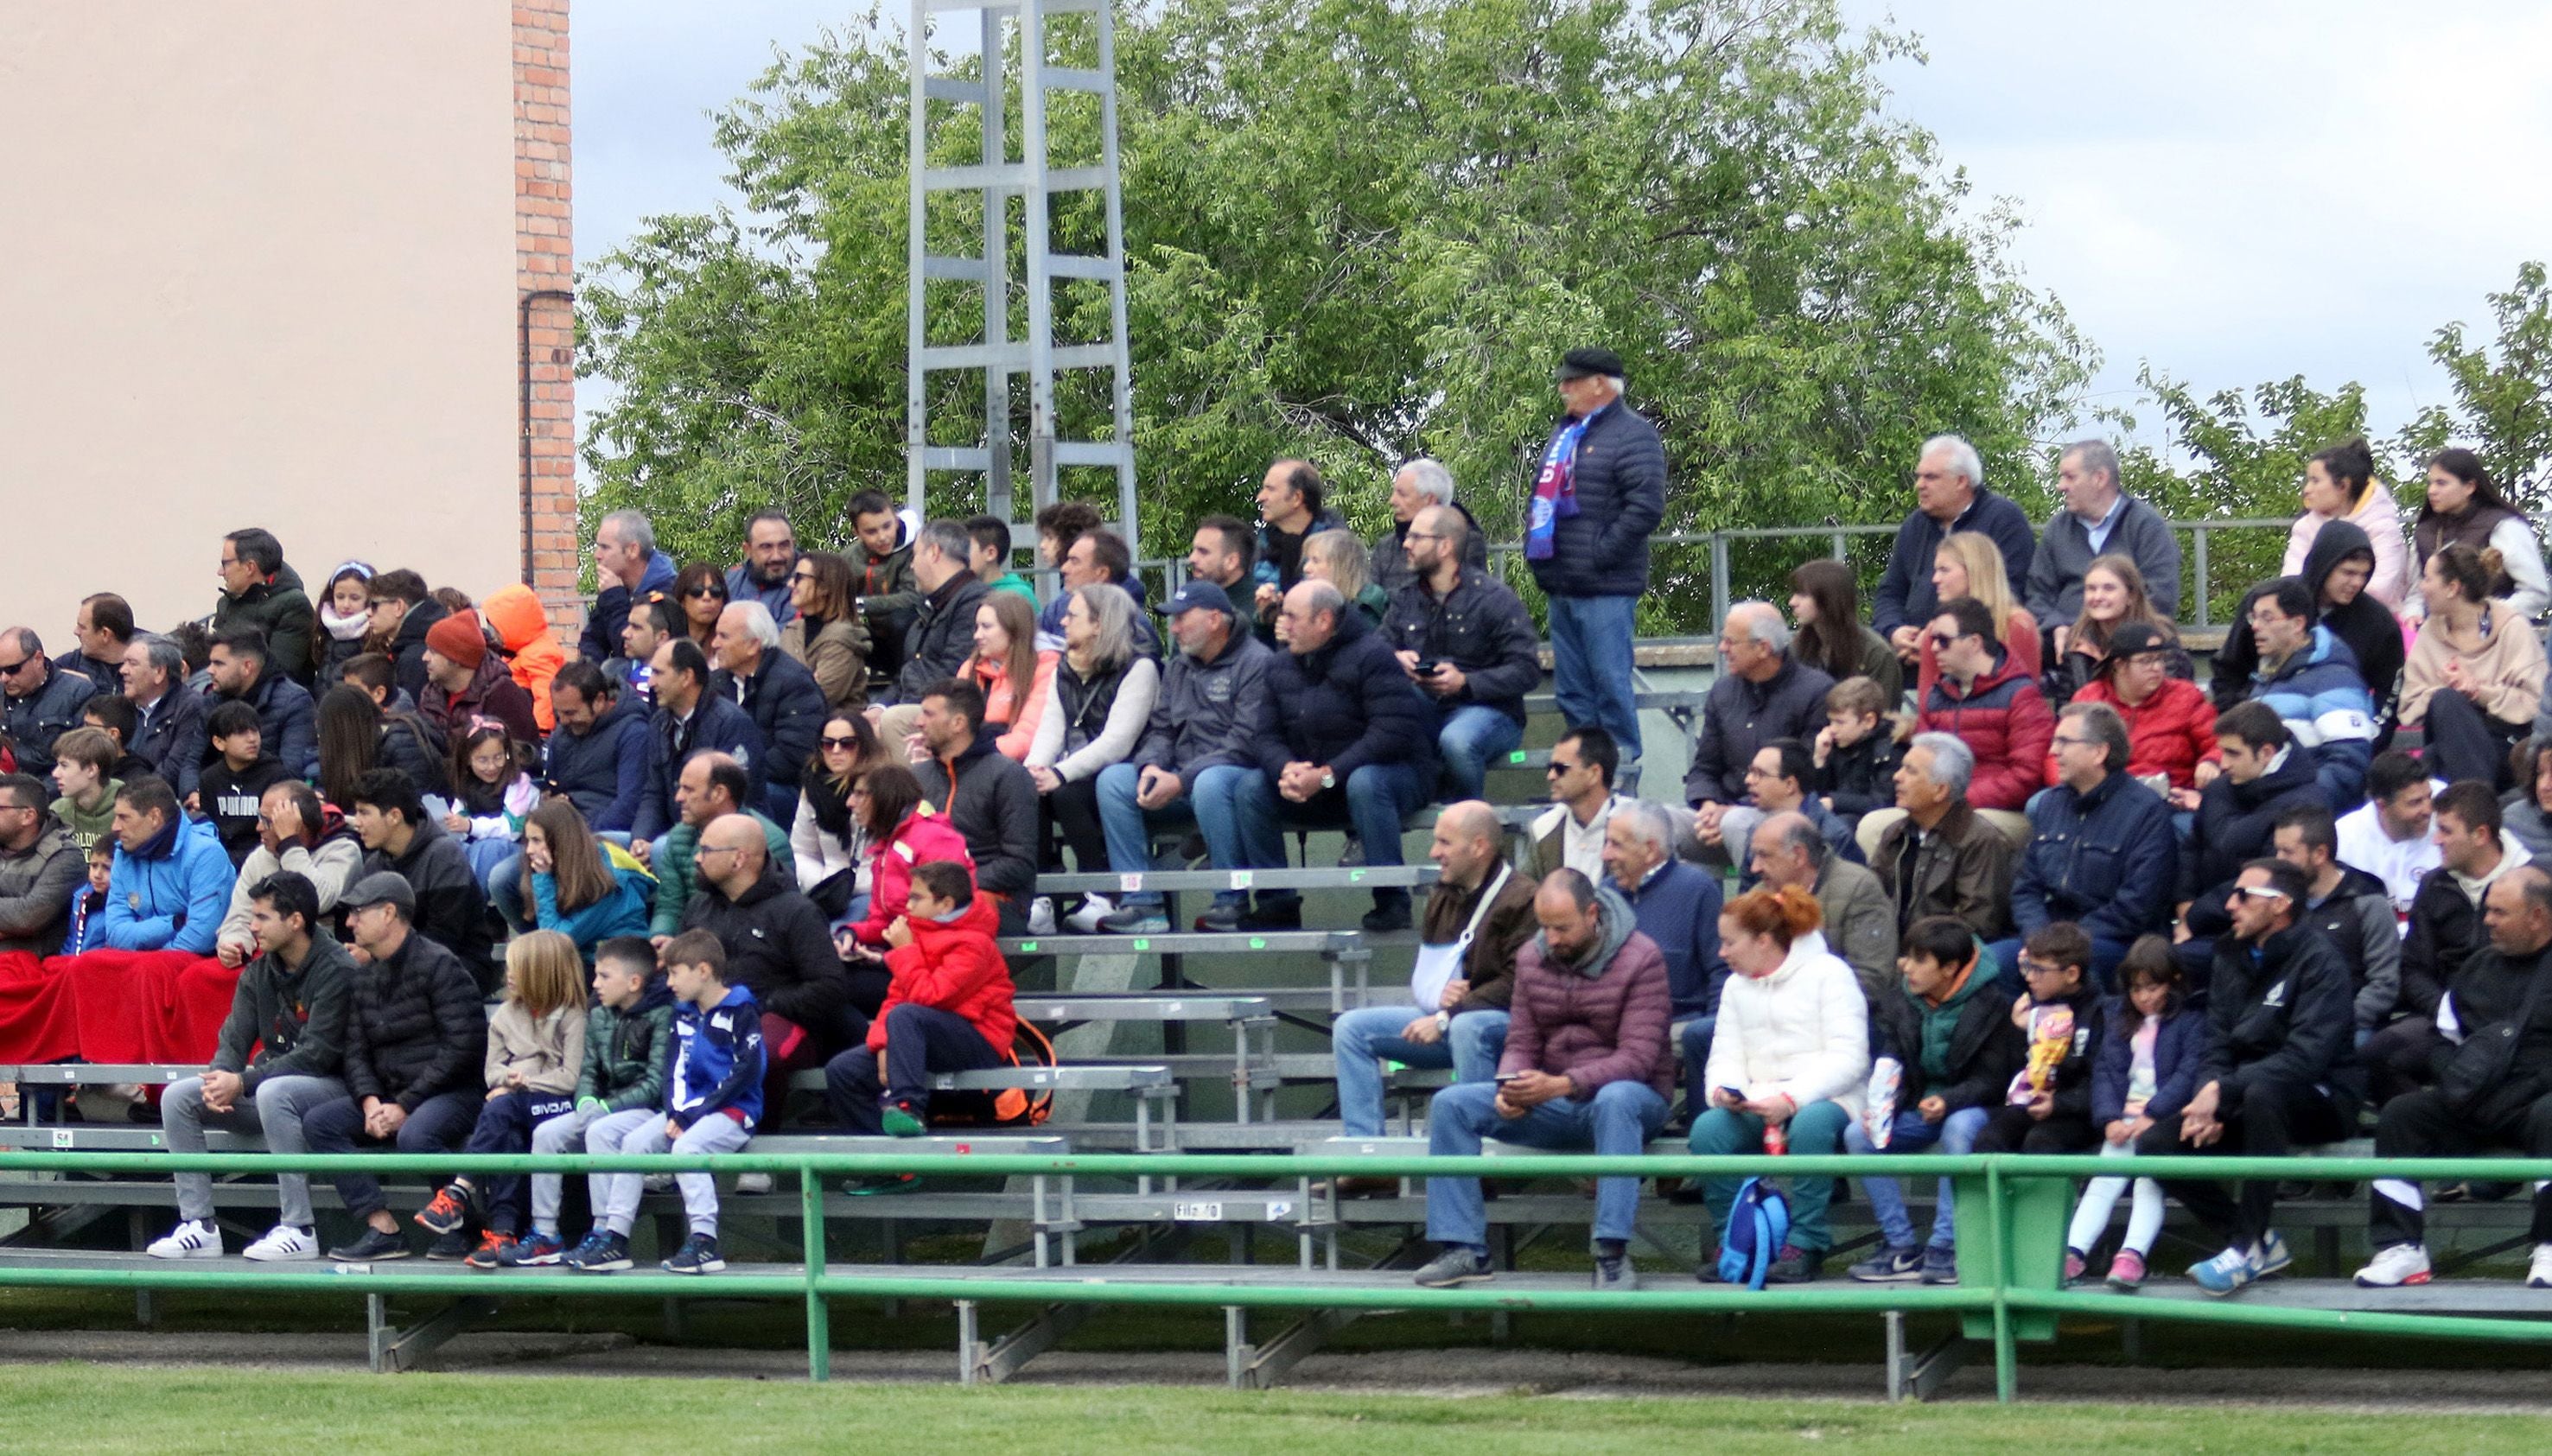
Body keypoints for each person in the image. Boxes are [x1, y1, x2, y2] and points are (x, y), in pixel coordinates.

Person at [1410, 870, 1672, 1292]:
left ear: (1592, 915)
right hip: (1555, 1097)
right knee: (1451, 1104)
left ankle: (1611, 1253)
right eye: (1544, 927)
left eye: (1562, 928)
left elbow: (1638, 1059)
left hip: (1630, 1102)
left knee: (1617, 1099)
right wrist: (1510, 1086)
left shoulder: (1642, 958)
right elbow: (1522, 1040)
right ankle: (1464, 1249)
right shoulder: (1533, 958)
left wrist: (1562, 1084)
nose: (1550, 938)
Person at [2142, 858, 2355, 1294]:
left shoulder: (2321, 961)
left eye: (2243, 895)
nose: (2230, 905)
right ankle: (2255, 1240)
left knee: (2263, 1092)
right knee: (2155, 1145)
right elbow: (2216, 1041)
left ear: (2280, 906)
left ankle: (2246, 1247)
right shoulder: (2231, 954)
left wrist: (2224, 1089)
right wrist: (2210, 1098)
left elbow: (2307, 1058)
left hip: (2320, 1098)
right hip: (2246, 1093)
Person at [2355, 866, 2552, 1290]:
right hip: (2472, 1101)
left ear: (2538, 917)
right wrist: (2454, 1085)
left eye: (2500, 912)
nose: (2487, 921)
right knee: (2402, 1114)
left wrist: (2517, 1093)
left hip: (2534, 1107)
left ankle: (2550, 1246)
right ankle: (2401, 1248)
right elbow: (2443, 1039)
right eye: (2488, 911)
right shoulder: (2477, 966)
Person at [143, 872, 355, 1262]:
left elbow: (318, 1055)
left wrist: (242, 1082)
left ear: (295, 921)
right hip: (271, 1089)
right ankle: (199, 1226)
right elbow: (234, 1039)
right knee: (179, 1097)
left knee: (276, 1091)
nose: (251, 926)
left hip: (332, 1092)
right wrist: (219, 1080)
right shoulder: (259, 971)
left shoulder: (336, 968)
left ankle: (299, 1229)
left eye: (261, 917)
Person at [1687, 886, 1870, 1284]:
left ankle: (1805, 1244)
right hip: (1759, 1099)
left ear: (1763, 941)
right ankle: (1737, 1244)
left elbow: (1851, 1058)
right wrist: (1723, 1091)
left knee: (1811, 1124)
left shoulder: (1830, 974)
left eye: (1729, 942)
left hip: (1829, 1098)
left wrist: (1792, 1099)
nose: (1722, 952)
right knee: (1708, 1131)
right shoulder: (1737, 986)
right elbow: (1725, 1055)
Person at [1231, 581, 1436, 934]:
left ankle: (1392, 901)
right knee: (1250, 787)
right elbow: (1264, 736)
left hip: (1389, 780)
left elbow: (1391, 734)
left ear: (1324, 621)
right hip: (1317, 784)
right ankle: (1275, 903)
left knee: (1366, 783)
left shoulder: (1374, 656)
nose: (1283, 624)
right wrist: (1286, 769)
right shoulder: (1279, 665)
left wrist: (1327, 774)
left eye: (1292, 617)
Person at [307, 872, 492, 1262]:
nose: (350, 922)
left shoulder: (442, 965)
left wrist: (405, 1103)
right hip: (392, 1096)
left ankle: (465, 1224)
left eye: (358, 913)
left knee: (415, 1136)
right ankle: (383, 1229)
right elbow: (354, 1051)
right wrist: (371, 1102)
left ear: (389, 912)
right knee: (321, 1123)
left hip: (453, 1093)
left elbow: (465, 1047)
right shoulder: (364, 976)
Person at [1329, 804, 1537, 1141]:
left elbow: (1519, 985)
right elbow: (1429, 980)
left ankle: (1475, 1155)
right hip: (1445, 1021)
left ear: (1479, 846)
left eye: (1444, 842)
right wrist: (1441, 1003)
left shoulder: (1524, 899)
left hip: (1503, 1031)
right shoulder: (1443, 895)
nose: (1433, 852)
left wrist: (1453, 1011)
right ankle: (1366, 1157)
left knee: (1469, 1028)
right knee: (1350, 1028)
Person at [569, 928, 765, 1275]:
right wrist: (676, 1110)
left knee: (686, 1149)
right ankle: (615, 1237)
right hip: (684, 1110)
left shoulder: (741, 1010)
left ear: (703, 971)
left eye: (675, 973)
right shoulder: (683, 1013)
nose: (669, 982)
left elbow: (746, 1072)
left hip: (733, 1110)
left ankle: (704, 1241)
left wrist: (691, 1114)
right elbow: (672, 1070)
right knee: (633, 1142)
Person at [1844, 917, 2021, 1286]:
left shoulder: (1993, 1005)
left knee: (1959, 1128)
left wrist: (1949, 1100)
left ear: (1950, 968)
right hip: (1919, 1108)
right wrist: (1881, 1109)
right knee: (1858, 1137)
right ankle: (1901, 1247)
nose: (1905, 966)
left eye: (1918, 959)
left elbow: (1994, 1081)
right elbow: (1892, 1062)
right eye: (1907, 956)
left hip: (1976, 1109)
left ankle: (1946, 1246)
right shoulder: (1902, 1000)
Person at [1093, 582, 1276, 934]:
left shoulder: (1256, 662)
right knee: (1114, 781)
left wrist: (1180, 780)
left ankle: (1230, 901)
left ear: (1214, 620)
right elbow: (1161, 729)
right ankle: (1141, 902)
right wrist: (1150, 766)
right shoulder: (1179, 666)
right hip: (1180, 779)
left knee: (1211, 781)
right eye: (1172, 620)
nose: (1173, 628)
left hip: (1231, 781)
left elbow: (1244, 743)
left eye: (1181, 619)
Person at [1524, 349, 1667, 780]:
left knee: (1609, 688)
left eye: (1572, 381)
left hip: (1606, 588)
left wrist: (1598, 554)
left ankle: (1621, 784)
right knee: (1573, 694)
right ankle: (1584, 780)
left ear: (1601, 384)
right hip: (1562, 584)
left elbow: (1645, 508)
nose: (1563, 389)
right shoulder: (1566, 434)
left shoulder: (1633, 435)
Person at [410, 930, 589, 1267]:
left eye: (516, 968)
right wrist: (509, 1079)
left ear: (541, 972)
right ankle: (503, 1234)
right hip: (516, 1107)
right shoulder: (505, 1016)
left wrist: (526, 1081)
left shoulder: (573, 1016)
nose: (508, 975)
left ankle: (458, 1191)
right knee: (504, 1129)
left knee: (500, 1106)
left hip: (556, 1107)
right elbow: (491, 1072)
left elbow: (570, 1079)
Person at [506, 937, 676, 1267]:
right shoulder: (598, 1014)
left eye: (604, 976)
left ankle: (604, 1232)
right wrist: (585, 1102)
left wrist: (606, 1109)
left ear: (634, 982)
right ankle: (545, 1234)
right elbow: (588, 1072)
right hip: (601, 1107)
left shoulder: (663, 1014)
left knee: (600, 1131)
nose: (594, 983)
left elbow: (656, 1083)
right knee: (547, 1134)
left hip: (647, 1110)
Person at [679, 813, 856, 1126]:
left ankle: (757, 1135)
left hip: (781, 1020)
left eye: (706, 851)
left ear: (738, 859)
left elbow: (829, 987)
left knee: (760, 1052)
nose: (697, 858)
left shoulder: (796, 911)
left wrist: (759, 1005)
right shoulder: (699, 908)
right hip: (707, 1018)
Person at [822, 859, 1015, 1143]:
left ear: (946, 904)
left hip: (978, 1040)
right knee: (842, 1070)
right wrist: (882, 1046)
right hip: (922, 1035)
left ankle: (908, 1107)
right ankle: (887, 1164)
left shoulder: (975, 944)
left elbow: (931, 996)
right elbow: (894, 999)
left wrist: (906, 951)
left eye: (916, 898)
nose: (908, 906)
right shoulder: (920, 935)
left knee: (907, 1015)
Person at [2374, 782, 2533, 1106]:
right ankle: (2444, 1128)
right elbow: (2413, 966)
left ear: (2480, 835)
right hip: (2447, 1018)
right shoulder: (2434, 884)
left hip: (2516, 1021)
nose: (2435, 840)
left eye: (2446, 831)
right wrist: (2445, 1009)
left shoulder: (2533, 884)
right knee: (2378, 1056)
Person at [2002, 701, 2175, 986]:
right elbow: (2026, 887)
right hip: (2047, 938)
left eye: (2064, 742)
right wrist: (2037, 937)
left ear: (2099, 752)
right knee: (1986, 965)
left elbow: (2138, 905)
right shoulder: (2050, 804)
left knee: (2069, 972)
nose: (2053, 751)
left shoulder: (2145, 812)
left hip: (2111, 942)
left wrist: (2062, 945)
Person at [2062, 938, 2200, 1290]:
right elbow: (2107, 1071)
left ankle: (2132, 1254)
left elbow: (2188, 1074)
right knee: (2103, 1181)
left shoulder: (2190, 1023)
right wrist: (2109, 1118)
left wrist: (2154, 1113)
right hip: (2123, 1120)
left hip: (2163, 1122)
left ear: (2174, 982)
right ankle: (2073, 1251)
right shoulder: (2120, 1021)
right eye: (2137, 989)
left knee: (2148, 1182)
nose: (2144, 997)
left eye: (2153, 987)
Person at [1382, 505, 1539, 799]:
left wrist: (1465, 683)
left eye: (1416, 537)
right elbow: (1377, 650)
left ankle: (1467, 827)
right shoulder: (1405, 598)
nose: (1406, 544)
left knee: (1457, 741)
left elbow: (1527, 669)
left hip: (1491, 712)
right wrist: (1394, 659)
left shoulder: (1494, 599)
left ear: (1445, 546)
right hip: (1427, 708)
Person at [1027, 584, 1161, 928]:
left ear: (1099, 624)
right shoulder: (1065, 668)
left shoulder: (1139, 668)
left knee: (1065, 792)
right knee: (1029, 790)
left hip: (1125, 770)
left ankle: (1102, 893)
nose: (1063, 623)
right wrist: (1035, 769)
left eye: (1072, 616)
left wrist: (1059, 773)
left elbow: (1118, 741)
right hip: (1077, 767)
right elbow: (1050, 729)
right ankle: (1039, 897)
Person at [1683, 601, 1834, 870]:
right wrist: (1708, 806)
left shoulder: (1816, 692)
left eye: (1730, 642)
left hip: (1784, 820)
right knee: (1649, 824)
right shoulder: (1723, 692)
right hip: (1717, 816)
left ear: (1763, 648)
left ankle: (1758, 908)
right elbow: (1704, 768)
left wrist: (1728, 812)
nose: (1722, 649)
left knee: (1736, 822)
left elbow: (1805, 777)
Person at [2176, 702, 2325, 970]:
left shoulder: (2304, 804)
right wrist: (2184, 902)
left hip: (2257, 930)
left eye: (2233, 754)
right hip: (2199, 918)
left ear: (2266, 752)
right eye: (2222, 752)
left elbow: (2273, 876)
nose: (2223, 763)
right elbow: (2192, 846)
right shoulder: (2220, 788)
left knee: (2169, 964)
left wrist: (2197, 916)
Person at [1598, 801, 1728, 1103]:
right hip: (1614, 1029)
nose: (1606, 855)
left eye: (1615, 845)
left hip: (1678, 1026)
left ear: (1650, 849)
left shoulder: (1698, 890)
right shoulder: (1604, 895)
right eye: (1606, 843)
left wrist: (1716, 1037)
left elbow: (1721, 972)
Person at [2222, 576, 2379, 811]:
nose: (2255, 626)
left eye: (2267, 617)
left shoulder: (2333, 679)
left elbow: (2347, 766)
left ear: (2297, 624)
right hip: (2262, 804)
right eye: (2253, 617)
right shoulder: (2266, 679)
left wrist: (2294, 805)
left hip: (2303, 817)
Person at [2400, 543, 2548, 789]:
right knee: (2445, 705)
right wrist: (2456, 689)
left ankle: (2474, 808)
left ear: (2452, 588)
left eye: (2427, 579)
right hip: (2448, 740)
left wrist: (2478, 692)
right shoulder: (2429, 633)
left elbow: (2535, 702)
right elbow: (2409, 706)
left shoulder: (2512, 627)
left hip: (2505, 742)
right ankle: (2477, 807)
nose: (2421, 587)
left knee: (2432, 760)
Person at [1874, 435, 2035, 658]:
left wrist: (1937, 637)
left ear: (1961, 481)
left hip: (1978, 655)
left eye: (1931, 477)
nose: (1920, 485)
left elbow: (2010, 594)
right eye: (1919, 476)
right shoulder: (1914, 526)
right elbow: (1890, 593)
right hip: (1910, 656)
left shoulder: (2004, 520)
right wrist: (1894, 631)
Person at [2026, 439, 2182, 646]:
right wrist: (2055, 626)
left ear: (2099, 478)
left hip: (2132, 646)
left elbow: (2161, 595)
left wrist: (2104, 634)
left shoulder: (2146, 526)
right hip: (2065, 647)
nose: (2060, 486)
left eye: (2070, 477)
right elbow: (2037, 594)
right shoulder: (2058, 529)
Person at [1972, 922, 2104, 1161]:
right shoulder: (2029, 1009)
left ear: (2071, 974)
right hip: (2030, 1105)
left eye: (2039, 970)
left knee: (2041, 1141)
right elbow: (2007, 1075)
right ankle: (1998, 1200)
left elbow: (2101, 1081)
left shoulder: (2100, 1014)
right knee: (1988, 1139)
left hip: (2078, 1113)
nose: (2030, 978)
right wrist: (2020, 1032)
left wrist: (2058, 1104)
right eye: (2027, 967)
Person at [2273, 803, 2403, 1044]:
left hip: (2350, 1027)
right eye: (2277, 851)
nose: (2278, 861)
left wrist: (2333, 1023)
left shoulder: (2367, 902)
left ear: (2320, 854)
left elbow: (2384, 984)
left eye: (2287, 852)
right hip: (2286, 1024)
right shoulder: (2280, 904)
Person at [1915, 595, 2054, 819]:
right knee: (1874, 826)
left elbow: (2027, 776)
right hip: (1941, 806)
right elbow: (1919, 761)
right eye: (1932, 639)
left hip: (1999, 811)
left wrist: (1959, 802)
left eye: (1943, 640)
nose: (1933, 648)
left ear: (1974, 642)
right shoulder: (1935, 695)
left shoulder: (2022, 695)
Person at [1869, 734, 2017, 943]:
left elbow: (1976, 924)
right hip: (1890, 951)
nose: (1897, 776)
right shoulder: (1895, 833)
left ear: (1940, 790)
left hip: (1940, 961)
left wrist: (1915, 958)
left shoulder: (1981, 841)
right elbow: (1871, 898)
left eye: (1910, 771)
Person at [349, 767, 492, 981]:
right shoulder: (374, 866)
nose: (356, 821)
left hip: (458, 969)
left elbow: (443, 939)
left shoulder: (444, 856)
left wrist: (375, 955)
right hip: (399, 967)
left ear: (394, 816)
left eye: (364, 812)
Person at [630, 638, 767, 852]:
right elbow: (653, 793)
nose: (650, 683)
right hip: (673, 833)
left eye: (658, 673)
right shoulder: (659, 722)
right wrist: (640, 840)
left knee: (658, 851)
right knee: (606, 843)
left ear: (686, 677)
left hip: (724, 839)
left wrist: (667, 843)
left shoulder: (731, 722)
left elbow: (735, 802)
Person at [2061, 622, 2217, 808]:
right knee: (2038, 804)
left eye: (2160, 659)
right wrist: (2067, 781)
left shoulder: (2186, 696)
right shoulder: (2089, 699)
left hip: (2170, 800)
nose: (2157, 667)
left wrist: (2212, 761)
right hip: (2101, 797)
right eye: (2146, 661)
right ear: (2119, 665)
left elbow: (2218, 742)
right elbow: (2060, 748)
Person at [643, 753, 795, 943]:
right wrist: (661, 936)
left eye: (688, 790)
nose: (678, 797)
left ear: (719, 793)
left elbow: (780, 916)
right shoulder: (678, 837)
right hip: (690, 943)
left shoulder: (767, 842)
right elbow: (669, 905)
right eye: (679, 788)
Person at [1748, 810, 1896, 1002]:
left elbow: (1872, 975)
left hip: (1840, 1015)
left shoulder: (1858, 888)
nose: (1755, 868)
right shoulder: (1759, 894)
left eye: (1764, 856)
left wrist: (1796, 1003)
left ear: (1798, 855)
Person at [839, 763, 971, 976]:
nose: (850, 803)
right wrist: (852, 934)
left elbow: (942, 919)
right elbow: (882, 921)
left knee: (829, 985)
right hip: (905, 951)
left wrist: (888, 958)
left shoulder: (934, 838)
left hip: (938, 966)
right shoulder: (887, 846)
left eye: (860, 794)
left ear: (886, 797)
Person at [213, 781, 362, 968]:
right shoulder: (261, 856)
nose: (258, 827)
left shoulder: (343, 850)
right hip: (265, 954)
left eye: (268, 821)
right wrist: (234, 944)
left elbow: (319, 901)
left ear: (296, 825)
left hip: (318, 961)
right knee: (196, 977)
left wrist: (290, 845)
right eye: (260, 817)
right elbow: (239, 916)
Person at [712, 599, 828, 823]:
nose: (715, 643)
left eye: (724, 636)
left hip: (783, 791)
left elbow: (794, 757)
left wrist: (730, 776)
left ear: (753, 645)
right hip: (726, 782)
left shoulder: (794, 683)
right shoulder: (715, 683)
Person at [90, 777, 232, 955]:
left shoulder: (206, 854)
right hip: (142, 958)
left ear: (154, 817)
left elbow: (201, 938)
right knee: (83, 967)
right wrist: (173, 923)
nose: (115, 827)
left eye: (123, 818)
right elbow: (115, 934)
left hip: (195, 962)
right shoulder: (123, 855)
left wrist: (153, 955)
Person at [2409, 447, 2550, 621]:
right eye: (2430, 483)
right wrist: (2413, 615)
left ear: (2469, 487)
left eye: (2441, 483)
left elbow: (2535, 592)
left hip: (2496, 637)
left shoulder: (2504, 526)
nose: (2431, 491)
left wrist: (2486, 618)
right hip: (2435, 636)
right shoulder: (2425, 531)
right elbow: (2414, 594)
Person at [2040, 555, 2190, 709]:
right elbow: (2066, 708)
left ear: (2131, 596)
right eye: (2091, 589)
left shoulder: (2161, 636)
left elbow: (2177, 701)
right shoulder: (2076, 642)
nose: (2098, 597)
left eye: (2109, 588)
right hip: (2092, 728)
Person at [1912, 533, 2042, 707]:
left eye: (1944, 570)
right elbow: (1926, 708)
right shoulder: (1935, 632)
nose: (1935, 579)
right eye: (1936, 571)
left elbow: (2027, 704)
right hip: (1944, 729)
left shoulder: (2018, 625)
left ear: (1974, 571)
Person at [2282, 436, 2409, 611]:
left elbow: (2381, 590)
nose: (2307, 489)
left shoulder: (2382, 526)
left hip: (2374, 622)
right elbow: (2291, 582)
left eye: (2315, 480)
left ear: (2343, 486)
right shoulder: (2305, 527)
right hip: (2314, 618)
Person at [879, 519, 993, 710]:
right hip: (915, 709)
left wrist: (896, 710)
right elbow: (907, 674)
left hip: (946, 713)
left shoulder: (976, 602)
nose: (912, 566)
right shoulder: (930, 606)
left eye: (914, 556)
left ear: (934, 552)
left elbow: (954, 672)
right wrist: (879, 707)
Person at [194, 625, 318, 789]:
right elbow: (192, 761)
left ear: (247, 666)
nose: (209, 670)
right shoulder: (212, 701)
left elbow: (291, 772)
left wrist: (242, 798)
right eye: (210, 663)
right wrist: (194, 793)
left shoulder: (294, 701)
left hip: (265, 805)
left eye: (218, 664)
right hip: (216, 799)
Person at [522, 801, 654, 952]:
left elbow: (555, 943)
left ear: (561, 841)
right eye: (528, 840)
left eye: (537, 840)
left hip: (619, 963)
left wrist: (544, 880)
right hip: (592, 958)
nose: (529, 850)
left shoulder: (605, 880)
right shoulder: (563, 870)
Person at [542, 662, 650, 837]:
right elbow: (551, 788)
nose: (563, 721)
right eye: (558, 713)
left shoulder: (633, 733)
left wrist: (582, 834)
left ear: (599, 701)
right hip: (563, 831)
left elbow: (629, 805)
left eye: (570, 713)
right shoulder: (562, 735)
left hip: (604, 835)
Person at [792, 712, 882, 919]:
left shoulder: (884, 788)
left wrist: (853, 885)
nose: (836, 750)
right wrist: (824, 882)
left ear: (864, 745)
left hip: (871, 892)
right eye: (828, 743)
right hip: (827, 890)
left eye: (847, 744)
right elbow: (802, 851)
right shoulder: (812, 788)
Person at [2336, 751, 2441, 920]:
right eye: (2415, 803)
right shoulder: (2344, 838)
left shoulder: (2446, 829)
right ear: (2382, 806)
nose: (2428, 810)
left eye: (2429, 797)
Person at [1734, 741, 1860, 881]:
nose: (1748, 780)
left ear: (1789, 785)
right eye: (1750, 772)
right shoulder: (1757, 832)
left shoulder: (1833, 836)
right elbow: (1747, 894)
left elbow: (1846, 894)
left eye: (1760, 774)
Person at [1788, 560, 1902, 709]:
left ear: (1828, 598)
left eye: (1802, 594)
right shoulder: (1796, 649)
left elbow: (1885, 720)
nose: (1792, 602)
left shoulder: (1876, 654)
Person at [417, 610, 538, 749]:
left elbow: (522, 756)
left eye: (433, 652)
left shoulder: (504, 696)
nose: (424, 658)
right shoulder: (431, 694)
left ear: (456, 659)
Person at [1251, 459, 1348, 626]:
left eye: (1270, 489)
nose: (1260, 497)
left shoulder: (1337, 548)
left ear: (1297, 498)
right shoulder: (1262, 543)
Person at [960, 589, 1053, 764]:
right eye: (976, 627)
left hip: (1011, 763)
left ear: (1013, 629)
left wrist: (972, 753)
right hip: (973, 753)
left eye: (986, 627)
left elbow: (1028, 735)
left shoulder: (1045, 666)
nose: (977, 635)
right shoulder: (970, 667)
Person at [212, 528, 315, 684]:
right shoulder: (226, 603)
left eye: (225, 564)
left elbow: (280, 671)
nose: (220, 572)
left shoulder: (293, 605)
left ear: (250, 567)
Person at [1368, 458, 1485, 596]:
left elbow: (1468, 600)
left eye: (1402, 494)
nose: (1392, 501)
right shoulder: (1386, 547)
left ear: (1430, 500)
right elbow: (1370, 607)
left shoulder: (1465, 542)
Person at [444, 721, 537, 891]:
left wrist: (471, 826)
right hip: (475, 850)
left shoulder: (519, 783)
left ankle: (473, 904)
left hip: (515, 849)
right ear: (468, 760)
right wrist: (451, 824)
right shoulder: (466, 785)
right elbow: (460, 821)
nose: (491, 767)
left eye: (498, 757)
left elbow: (511, 829)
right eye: (482, 760)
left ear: (507, 754)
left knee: (489, 847)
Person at [0, 773, 85, 957]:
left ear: (28, 816)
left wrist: (16, 921)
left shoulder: (65, 856)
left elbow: (27, 917)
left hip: (32, 964)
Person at [582, 509, 679, 665]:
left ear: (632, 550)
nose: (597, 555)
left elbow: (630, 648)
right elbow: (591, 640)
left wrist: (615, 598)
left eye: (605, 547)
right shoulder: (616, 587)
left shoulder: (669, 592)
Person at [199, 701, 287, 869]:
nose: (252, 739)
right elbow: (209, 830)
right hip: (222, 859)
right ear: (219, 742)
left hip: (265, 858)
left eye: (255, 731)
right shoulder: (209, 779)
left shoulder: (276, 774)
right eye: (241, 733)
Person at [1528, 726, 1623, 882]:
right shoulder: (1543, 829)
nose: (1551, 776)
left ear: (1594, 773)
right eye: (1550, 768)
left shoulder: (1636, 827)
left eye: (1560, 768)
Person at [780, 550, 871, 712]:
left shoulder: (842, 638)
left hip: (836, 730)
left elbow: (817, 699)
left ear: (824, 587)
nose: (790, 584)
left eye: (799, 578)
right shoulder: (792, 631)